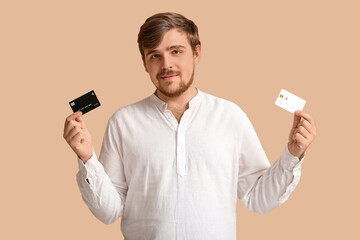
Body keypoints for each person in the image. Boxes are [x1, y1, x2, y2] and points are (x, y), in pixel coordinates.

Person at [63, 12, 316, 240]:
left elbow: (260, 199)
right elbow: (109, 212)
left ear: (196, 53)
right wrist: (87, 158)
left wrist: (293, 155)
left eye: (176, 51)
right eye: (155, 55)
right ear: (144, 63)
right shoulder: (123, 122)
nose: (166, 65)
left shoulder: (230, 116)